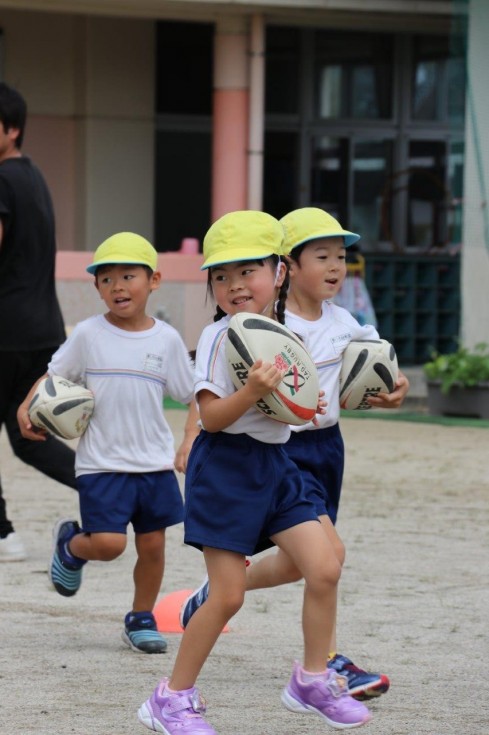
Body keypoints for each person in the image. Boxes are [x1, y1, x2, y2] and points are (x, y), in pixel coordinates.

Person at [137, 210, 372, 734]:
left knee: (325, 565)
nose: (235, 285)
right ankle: (169, 699)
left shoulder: (287, 332)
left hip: (275, 465)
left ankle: (310, 680)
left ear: (278, 272)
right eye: (221, 276)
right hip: (224, 470)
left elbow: (305, 400)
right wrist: (252, 391)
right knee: (227, 596)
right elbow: (213, 418)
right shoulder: (222, 338)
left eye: (249, 271)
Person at [180, 207, 410, 700]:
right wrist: (191, 436)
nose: (334, 266)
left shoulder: (342, 319)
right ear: (290, 264)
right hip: (277, 449)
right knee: (329, 557)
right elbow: (212, 400)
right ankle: (326, 664)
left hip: (320, 445)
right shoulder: (259, 325)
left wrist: (392, 388)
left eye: (340, 257)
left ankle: (222, 597)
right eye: (322, 255)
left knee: (313, 562)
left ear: (274, 270)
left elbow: (376, 366)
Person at [17, 232, 196, 654]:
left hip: (153, 463)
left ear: (153, 281)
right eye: (106, 279)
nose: (117, 286)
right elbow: (54, 375)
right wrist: (27, 405)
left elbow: (194, 396)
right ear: (97, 287)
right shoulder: (88, 334)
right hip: (101, 463)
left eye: (128, 276)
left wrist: (190, 438)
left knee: (152, 546)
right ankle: (71, 545)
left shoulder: (166, 339)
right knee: (110, 545)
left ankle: (140, 617)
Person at [0, 81, 76, 562]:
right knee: (29, 436)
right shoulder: (34, 177)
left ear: (10, 130)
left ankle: (2, 532)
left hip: (5, 330)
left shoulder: (2, 179)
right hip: (41, 327)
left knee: (27, 432)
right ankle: (108, 496)